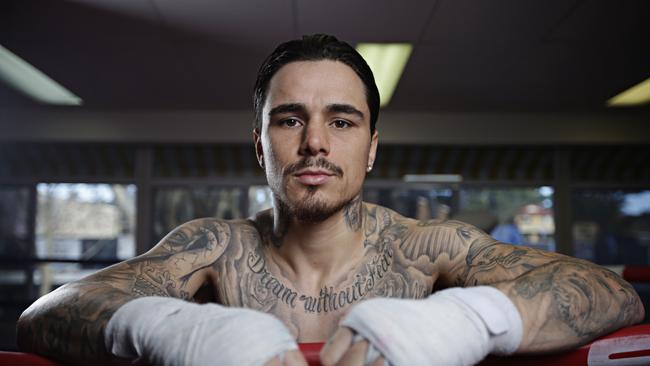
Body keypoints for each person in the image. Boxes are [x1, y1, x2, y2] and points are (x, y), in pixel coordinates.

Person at [17, 34, 644, 366]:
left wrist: (462, 320)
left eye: (341, 122)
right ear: (260, 146)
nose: (315, 142)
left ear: (371, 148)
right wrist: (175, 329)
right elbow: (48, 313)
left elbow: (612, 294)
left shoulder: (430, 249)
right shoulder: (213, 248)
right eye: (289, 120)